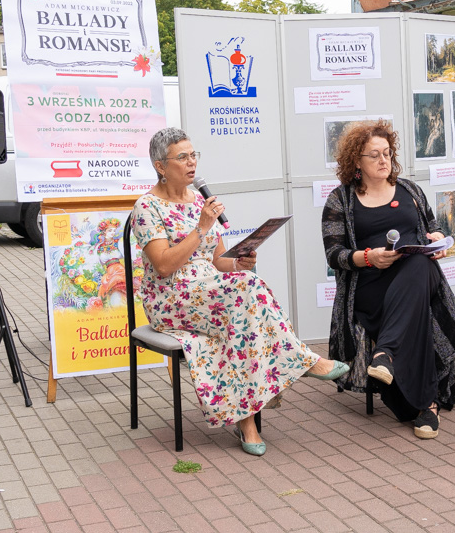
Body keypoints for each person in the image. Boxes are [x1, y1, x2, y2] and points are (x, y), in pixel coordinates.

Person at [132, 127, 348, 456]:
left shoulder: (200, 200)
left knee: (243, 312)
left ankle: (246, 423)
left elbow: (217, 260)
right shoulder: (147, 208)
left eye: (194, 155)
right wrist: (201, 227)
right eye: (182, 157)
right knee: (246, 297)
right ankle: (305, 361)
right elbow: (162, 265)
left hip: (210, 291)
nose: (191, 163)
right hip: (170, 297)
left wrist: (239, 263)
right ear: (160, 166)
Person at [321, 120, 455, 439]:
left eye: (387, 153)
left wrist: (438, 238)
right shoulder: (340, 200)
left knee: (417, 264)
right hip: (370, 287)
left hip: (416, 276)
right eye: (373, 155)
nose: (383, 160)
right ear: (355, 160)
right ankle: (426, 405)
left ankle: (386, 353)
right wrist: (368, 257)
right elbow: (334, 254)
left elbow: (435, 226)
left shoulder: (410, 190)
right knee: (415, 303)